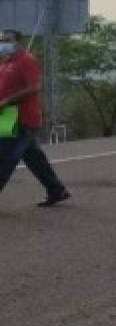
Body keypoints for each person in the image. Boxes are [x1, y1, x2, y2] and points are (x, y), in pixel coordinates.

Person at [0, 30, 71, 206]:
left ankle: (56, 190)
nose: (3, 43)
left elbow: (34, 87)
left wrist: (7, 101)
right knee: (34, 158)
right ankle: (56, 190)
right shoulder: (6, 63)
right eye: (1, 40)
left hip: (24, 119)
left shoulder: (26, 60)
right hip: (9, 119)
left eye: (7, 40)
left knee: (5, 157)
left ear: (18, 41)